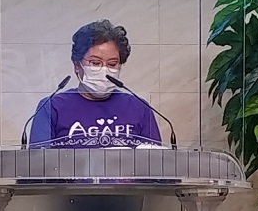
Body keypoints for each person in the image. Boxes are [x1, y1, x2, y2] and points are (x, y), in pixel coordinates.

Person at [28, 19, 162, 148]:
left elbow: (156, 159)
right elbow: (39, 160)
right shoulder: (51, 107)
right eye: (95, 63)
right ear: (77, 65)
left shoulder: (139, 108)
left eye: (112, 64)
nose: (104, 70)